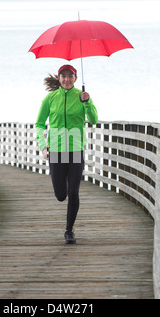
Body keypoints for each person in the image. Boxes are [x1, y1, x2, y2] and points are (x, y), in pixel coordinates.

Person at [35, 64, 98, 244]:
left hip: (75, 148)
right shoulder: (50, 98)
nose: (66, 79)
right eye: (63, 76)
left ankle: (69, 231)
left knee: (73, 191)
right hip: (55, 149)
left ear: (76, 78)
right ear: (59, 78)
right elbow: (39, 124)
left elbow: (93, 120)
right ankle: (66, 216)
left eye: (70, 76)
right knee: (61, 195)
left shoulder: (82, 96)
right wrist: (43, 146)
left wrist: (88, 103)